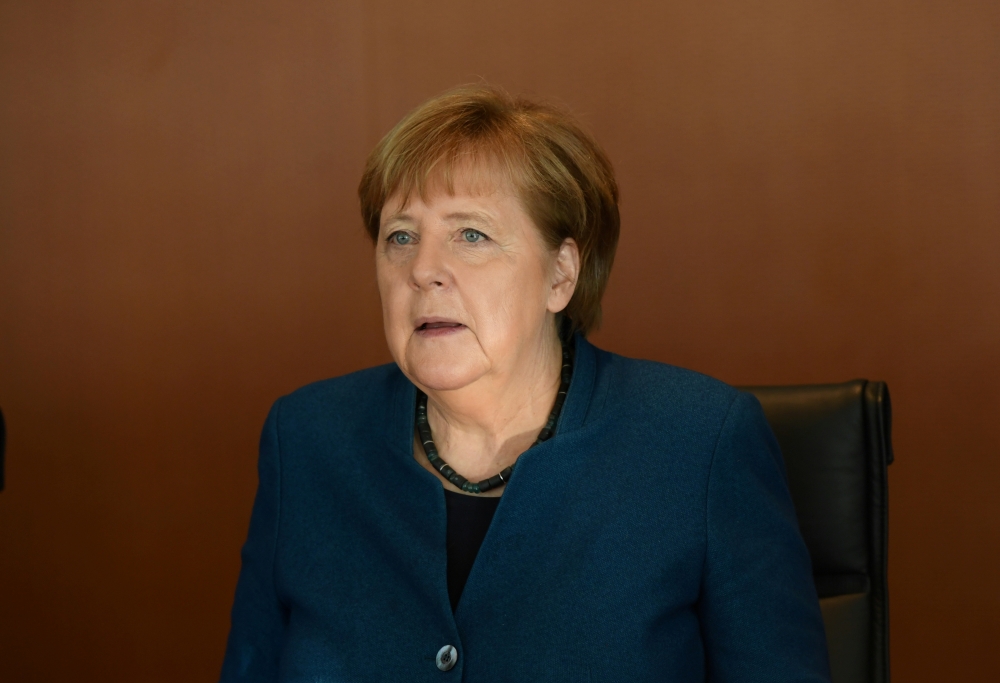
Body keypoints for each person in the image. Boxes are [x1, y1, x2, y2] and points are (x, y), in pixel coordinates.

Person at [221, 85, 831, 682]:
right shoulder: (305, 439)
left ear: (561, 274)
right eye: (400, 237)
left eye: (471, 234)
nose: (424, 270)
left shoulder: (700, 442)